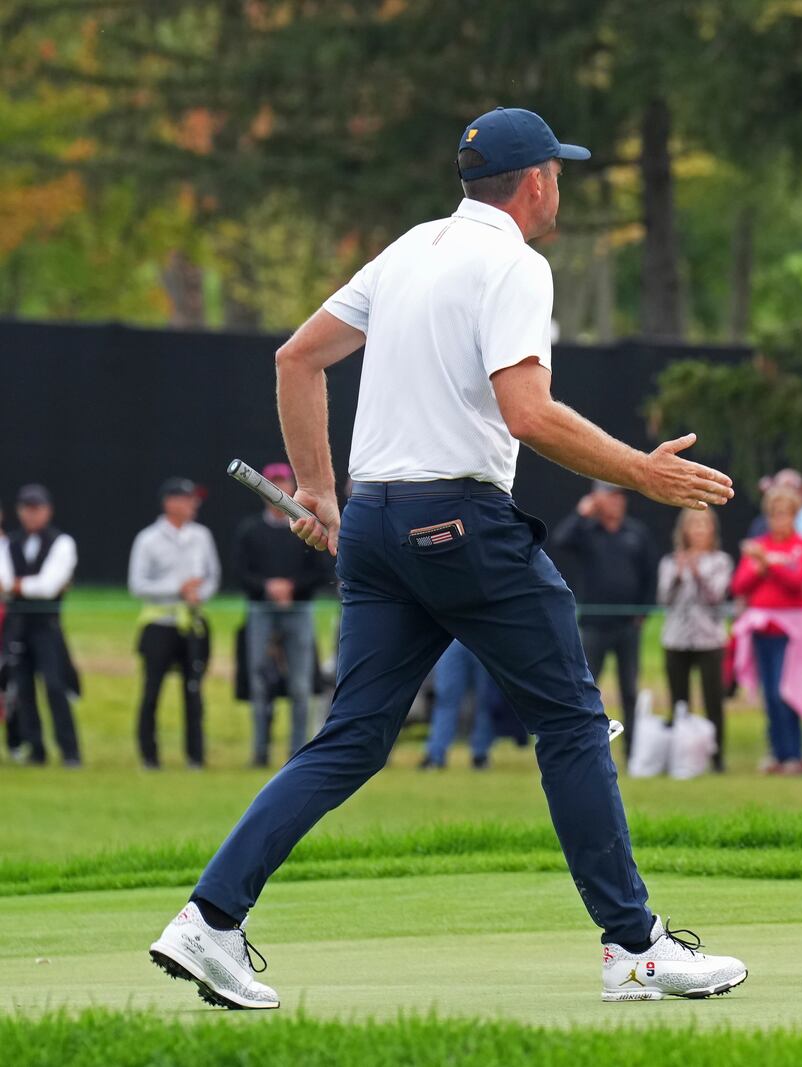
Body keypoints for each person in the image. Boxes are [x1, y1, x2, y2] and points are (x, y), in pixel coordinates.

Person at [147, 106, 745, 1011]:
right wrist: (642, 471)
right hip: (458, 519)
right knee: (574, 721)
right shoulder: (515, 264)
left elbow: (298, 359)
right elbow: (530, 413)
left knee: (350, 739)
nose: (561, 186)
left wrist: (319, 491)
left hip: (378, 525)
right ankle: (635, 947)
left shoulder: (411, 247)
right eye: (559, 172)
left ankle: (208, 921)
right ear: (537, 180)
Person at [234, 462, 333, 768]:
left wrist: (292, 587)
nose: (277, 487)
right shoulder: (250, 529)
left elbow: (320, 569)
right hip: (261, 611)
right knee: (260, 682)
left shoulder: (305, 524)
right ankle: (259, 753)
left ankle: (297, 752)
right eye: (271, 482)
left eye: (281, 482)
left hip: (299, 610)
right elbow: (240, 572)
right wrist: (267, 587)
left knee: (301, 685)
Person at [549, 482, 655, 753]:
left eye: (620, 497)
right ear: (598, 499)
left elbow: (649, 576)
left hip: (628, 625)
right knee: (587, 685)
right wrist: (583, 513)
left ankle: (632, 750)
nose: (617, 502)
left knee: (629, 690)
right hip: (595, 626)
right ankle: (585, 744)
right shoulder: (587, 531)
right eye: (610, 497)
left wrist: (643, 612)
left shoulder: (636, 533)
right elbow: (561, 539)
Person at [129, 478, 220, 771]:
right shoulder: (148, 539)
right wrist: (178, 589)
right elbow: (138, 585)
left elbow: (211, 577)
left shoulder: (201, 536)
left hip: (192, 622)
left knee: (193, 690)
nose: (193, 505)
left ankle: (195, 756)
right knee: (152, 690)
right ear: (170, 502)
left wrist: (197, 594)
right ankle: (149, 756)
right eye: (187, 499)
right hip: (160, 623)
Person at [729, 485, 802, 774]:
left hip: (791, 633)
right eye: (774, 514)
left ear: (794, 516)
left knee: (788, 692)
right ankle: (778, 754)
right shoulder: (759, 544)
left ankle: (795, 754)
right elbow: (739, 586)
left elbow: (799, 584)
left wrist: (767, 563)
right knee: (769, 695)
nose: (778, 519)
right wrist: (760, 568)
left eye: (784, 514)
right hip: (762, 632)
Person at [0, 484, 83, 767]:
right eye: (26, 509)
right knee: (22, 688)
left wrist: (18, 586)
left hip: (47, 626)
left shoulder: (62, 542)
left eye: (36, 508)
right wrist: (20, 586)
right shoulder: (10, 542)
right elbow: (5, 582)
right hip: (17, 625)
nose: (31, 514)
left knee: (55, 685)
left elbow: (48, 586)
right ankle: (35, 750)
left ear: (47, 510)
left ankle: (70, 752)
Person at [658, 508, 733, 772]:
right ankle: (681, 756)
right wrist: (679, 574)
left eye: (704, 524)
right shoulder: (670, 561)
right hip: (676, 639)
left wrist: (698, 574)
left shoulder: (721, 561)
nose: (699, 530)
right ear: (684, 530)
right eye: (694, 524)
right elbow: (664, 600)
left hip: (709, 639)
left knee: (713, 699)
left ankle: (717, 756)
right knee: (679, 701)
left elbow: (716, 598)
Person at [419, 639, 514, 770]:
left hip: (484, 636)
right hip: (452, 638)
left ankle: (480, 754)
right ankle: (435, 755)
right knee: (445, 697)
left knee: (485, 700)